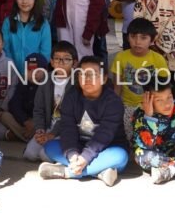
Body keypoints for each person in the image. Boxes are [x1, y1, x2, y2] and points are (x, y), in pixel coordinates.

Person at [38, 56, 129, 186]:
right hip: (79, 147)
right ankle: (100, 172)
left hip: (107, 148)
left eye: (93, 74)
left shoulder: (113, 101)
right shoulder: (71, 96)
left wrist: (85, 158)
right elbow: (67, 128)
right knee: (49, 147)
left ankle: (66, 172)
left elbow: (104, 135)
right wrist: (72, 154)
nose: (87, 78)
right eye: (83, 74)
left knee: (120, 156)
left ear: (103, 78)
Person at [111, 18, 169, 138]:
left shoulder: (158, 59)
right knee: (130, 136)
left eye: (143, 38)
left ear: (152, 40)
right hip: (127, 106)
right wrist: (114, 107)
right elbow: (117, 86)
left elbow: (164, 89)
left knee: (150, 136)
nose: (137, 42)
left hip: (152, 106)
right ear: (128, 38)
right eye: (133, 36)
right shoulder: (120, 57)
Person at [25, 42, 77, 161]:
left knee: (45, 155)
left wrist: (52, 134)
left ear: (74, 63)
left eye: (66, 59)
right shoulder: (46, 79)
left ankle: (62, 159)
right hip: (48, 127)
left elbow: (71, 115)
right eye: (57, 59)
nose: (61, 63)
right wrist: (40, 130)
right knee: (30, 154)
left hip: (66, 129)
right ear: (52, 62)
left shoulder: (77, 83)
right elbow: (38, 109)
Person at [1, 0, 51, 64]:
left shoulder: (43, 23)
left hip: (36, 72)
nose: (24, 1)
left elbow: (46, 51)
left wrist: (38, 70)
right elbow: (5, 48)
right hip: (11, 71)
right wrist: (11, 69)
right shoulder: (8, 22)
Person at [6, 53, 48, 142]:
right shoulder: (23, 82)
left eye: (37, 70)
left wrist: (34, 122)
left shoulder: (48, 85)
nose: (33, 73)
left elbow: (49, 110)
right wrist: (25, 120)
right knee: (5, 116)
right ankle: (30, 137)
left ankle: (27, 136)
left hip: (40, 122)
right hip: (24, 120)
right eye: (29, 70)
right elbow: (14, 104)